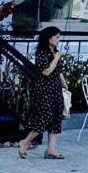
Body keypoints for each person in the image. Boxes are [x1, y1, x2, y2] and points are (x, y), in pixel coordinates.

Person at [18, 26, 68, 160]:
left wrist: (65, 84)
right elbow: (46, 71)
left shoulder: (54, 51)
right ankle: (26, 141)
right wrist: (56, 58)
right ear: (49, 38)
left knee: (56, 118)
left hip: (55, 89)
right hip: (44, 89)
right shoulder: (41, 53)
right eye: (56, 37)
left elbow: (58, 71)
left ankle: (51, 149)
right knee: (44, 117)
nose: (58, 40)